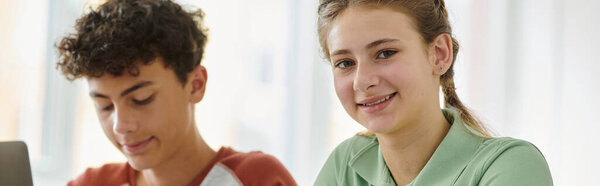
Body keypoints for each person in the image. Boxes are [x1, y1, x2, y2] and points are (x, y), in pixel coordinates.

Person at [57, 0, 296, 185]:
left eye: (142, 99)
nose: (121, 125)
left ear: (195, 85)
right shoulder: (91, 184)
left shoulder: (258, 180)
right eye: (104, 106)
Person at [314, 0, 553, 185]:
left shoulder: (511, 166)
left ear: (439, 54)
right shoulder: (346, 164)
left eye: (385, 53)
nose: (362, 81)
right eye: (345, 63)